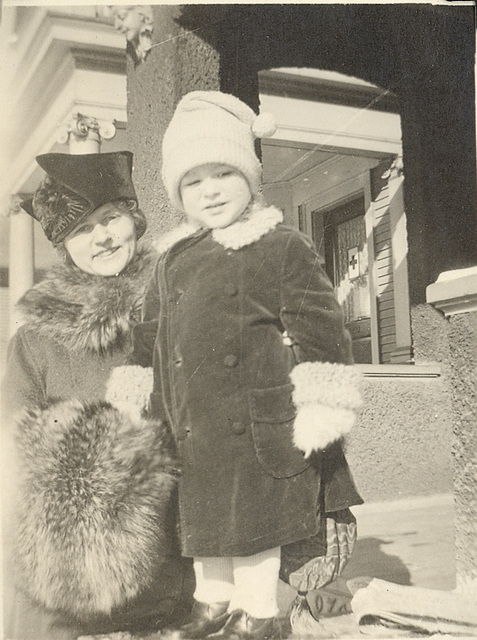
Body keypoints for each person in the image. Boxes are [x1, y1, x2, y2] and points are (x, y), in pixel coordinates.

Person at [126, 91, 364, 639]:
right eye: (194, 180)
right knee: (205, 515)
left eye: (223, 174)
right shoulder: (170, 260)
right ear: (178, 192)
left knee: (255, 523)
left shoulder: (280, 245)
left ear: (251, 179)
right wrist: (137, 396)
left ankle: (258, 611)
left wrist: (321, 405)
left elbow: (322, 328)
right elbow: (149, 337)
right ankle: (212, 603)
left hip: (258, 420)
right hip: (193, 424)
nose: (209, 190)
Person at [1, 151, 194, 640]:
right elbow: (15, 456)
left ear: (134, 218)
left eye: (110, 218)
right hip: (68, 583)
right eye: (82, 229)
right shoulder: (37, 341)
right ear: (65, 246)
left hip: (172, 561)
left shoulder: (179, 309)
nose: (103, 237)